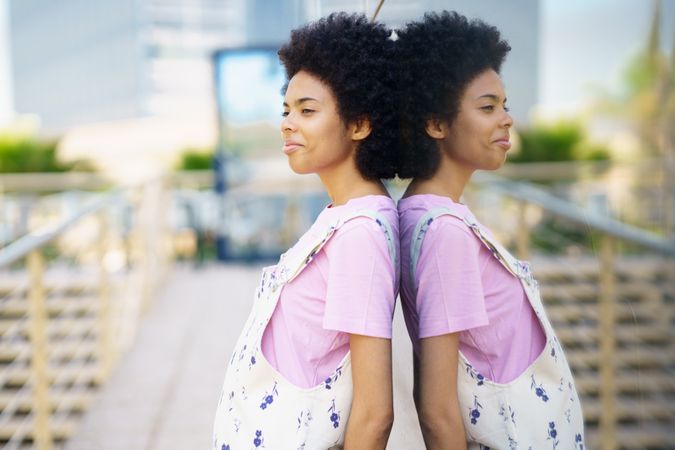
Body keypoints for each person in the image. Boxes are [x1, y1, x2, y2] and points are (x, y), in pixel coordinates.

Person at [395, 11, 585, 450]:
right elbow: (436, 408)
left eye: (505, 105)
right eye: (487, 107)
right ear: (436, 123)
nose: (506, 120)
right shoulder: (446, 234)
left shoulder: (422, 214)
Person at [213, 13, 399, 450]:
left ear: (359, 124)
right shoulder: (345, 215)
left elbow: (375, 414)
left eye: (307, 110)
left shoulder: (361, 233)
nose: (287, 123)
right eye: (286, 109)